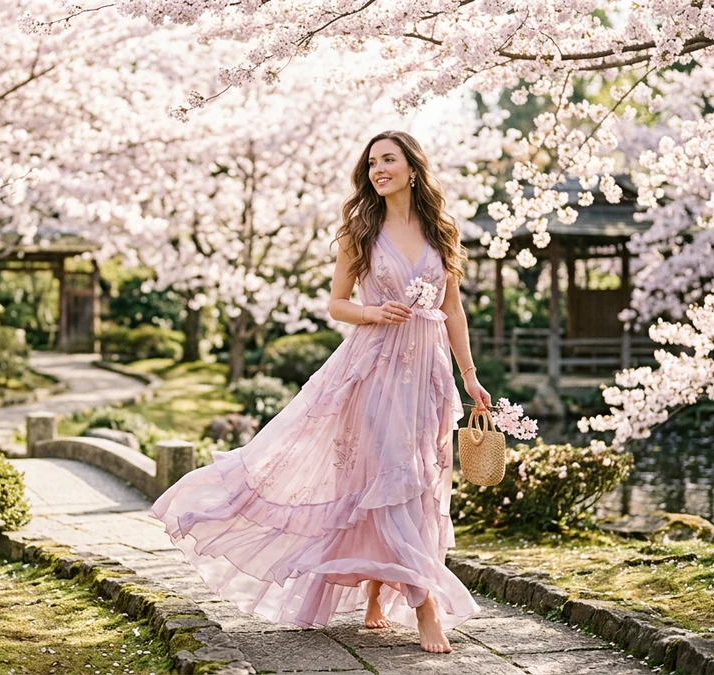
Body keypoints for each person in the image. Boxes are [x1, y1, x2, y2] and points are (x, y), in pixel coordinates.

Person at [150, 130, 488, 653]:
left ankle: (378, 595)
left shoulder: (441, 230)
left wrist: (468, 377)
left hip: (429, 375)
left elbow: (454, 310)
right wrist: (373, 311)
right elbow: (337, 304)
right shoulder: (361, 230)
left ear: (413, 169)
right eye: (372, 162)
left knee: (417, 483)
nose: (379, 169)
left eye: (389, 160)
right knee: (389, 470)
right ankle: (427, 609)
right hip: (372, 369)